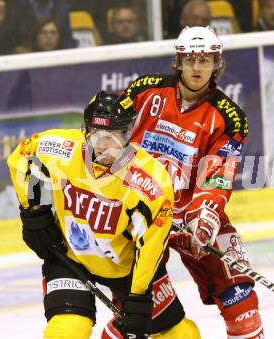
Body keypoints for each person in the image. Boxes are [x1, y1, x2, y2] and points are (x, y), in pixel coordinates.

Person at [113, 26, 265, 338]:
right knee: (140, 311)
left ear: (217, 64)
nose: (197, 67)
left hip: (192, 214)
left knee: (241, 301)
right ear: (179, 61)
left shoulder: (229, 116)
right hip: (142, 215)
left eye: (205, 60)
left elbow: (218, 171)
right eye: (191, 59)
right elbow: (107, 130)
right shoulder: (145, 91)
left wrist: (206, 215)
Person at [7, 92, 200, 339]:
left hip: (126, 269)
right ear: (86, 131)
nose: (103, 145)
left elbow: (150, 245)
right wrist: (34, 212)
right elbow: (23, 156)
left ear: (128, 134)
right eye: (97, 135)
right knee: (67, 330)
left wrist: (139, 296)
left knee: (181, 335)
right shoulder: (63, 148)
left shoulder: (151, 182)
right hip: (70, 258)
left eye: (113, 137)